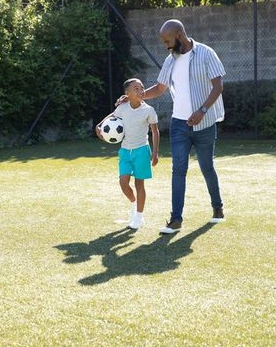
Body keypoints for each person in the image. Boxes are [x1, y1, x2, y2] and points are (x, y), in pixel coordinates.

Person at [117, 19, 226, 234]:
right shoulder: (170, 60)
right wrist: (134, 98)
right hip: (179, 125)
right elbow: (160, 87)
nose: (166, 45)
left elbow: (218, 85)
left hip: (205, 123)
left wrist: (202, 110)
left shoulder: (206, 53)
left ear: (179, 35)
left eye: (168, 41)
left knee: (207, 167)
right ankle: (176, 219)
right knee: (178, 170)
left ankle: (217, 208)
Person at [96, 78, 159, 230]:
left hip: (142, 151)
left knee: (139, 184)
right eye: (136, 89)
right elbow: (111, 116)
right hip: (125, 151)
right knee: (123, 183)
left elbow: (155, 132)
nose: (140, 90)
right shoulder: (123, 107)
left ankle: (138, 217)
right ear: (127, 93)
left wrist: (155, 153)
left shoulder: (148, 110)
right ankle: (134, 203)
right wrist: (99, 125)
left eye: (142, 88)